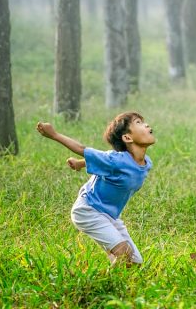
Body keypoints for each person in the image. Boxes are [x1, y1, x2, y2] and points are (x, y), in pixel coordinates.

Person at [35, 112, 155, 265]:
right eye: (138, 122)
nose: (146, 125)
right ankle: (98, 284)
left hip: (110, 216)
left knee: (134, 262)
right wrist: (54, 134)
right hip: (88, 210)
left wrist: (80, 163)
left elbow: (104, 161)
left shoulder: (146, 163)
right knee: (124, 255)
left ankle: (113, 270)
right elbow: (82, 148)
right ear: (127, 138)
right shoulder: (116, 160)